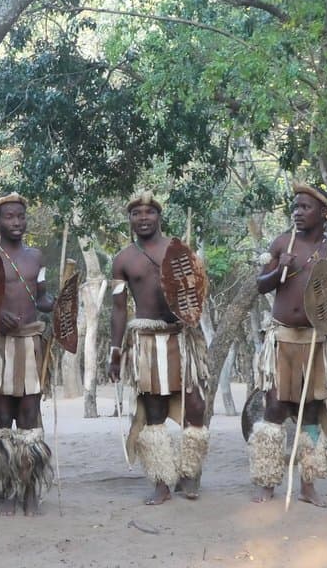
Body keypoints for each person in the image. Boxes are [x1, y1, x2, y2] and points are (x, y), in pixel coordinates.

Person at [250, 184, 327, 508]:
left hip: (314, 342)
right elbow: (260, 285)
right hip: (282, 339)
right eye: (295, 207)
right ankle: (267, 481)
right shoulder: (282, 243)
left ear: (324, 213)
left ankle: (308, 485)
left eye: (305, 207)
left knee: (311, 412)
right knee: (274, 408)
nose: (297, 212)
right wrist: (281, 269)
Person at [108, 191, 210, 505]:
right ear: (129, 219)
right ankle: (162, 482)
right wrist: (115, 351)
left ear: (159, 216)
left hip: (180, 338)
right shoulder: (123, 259)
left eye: (149, 212)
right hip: (147, 342)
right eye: (136, 213)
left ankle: (189, 474)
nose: (143, 218)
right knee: (154, 412)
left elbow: (197, 294)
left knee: (195, 407)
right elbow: (118, 309)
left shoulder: (179, 251)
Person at [0, 192, 56, 516]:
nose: (17, 222)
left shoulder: (35, 257)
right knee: (3, 419)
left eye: (21, 216)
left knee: (29, 418)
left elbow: (41, 297)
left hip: (30, 343)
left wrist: (59, 303)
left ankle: (30, 489)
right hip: (0, 347)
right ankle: (9, 489)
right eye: (9, 217)